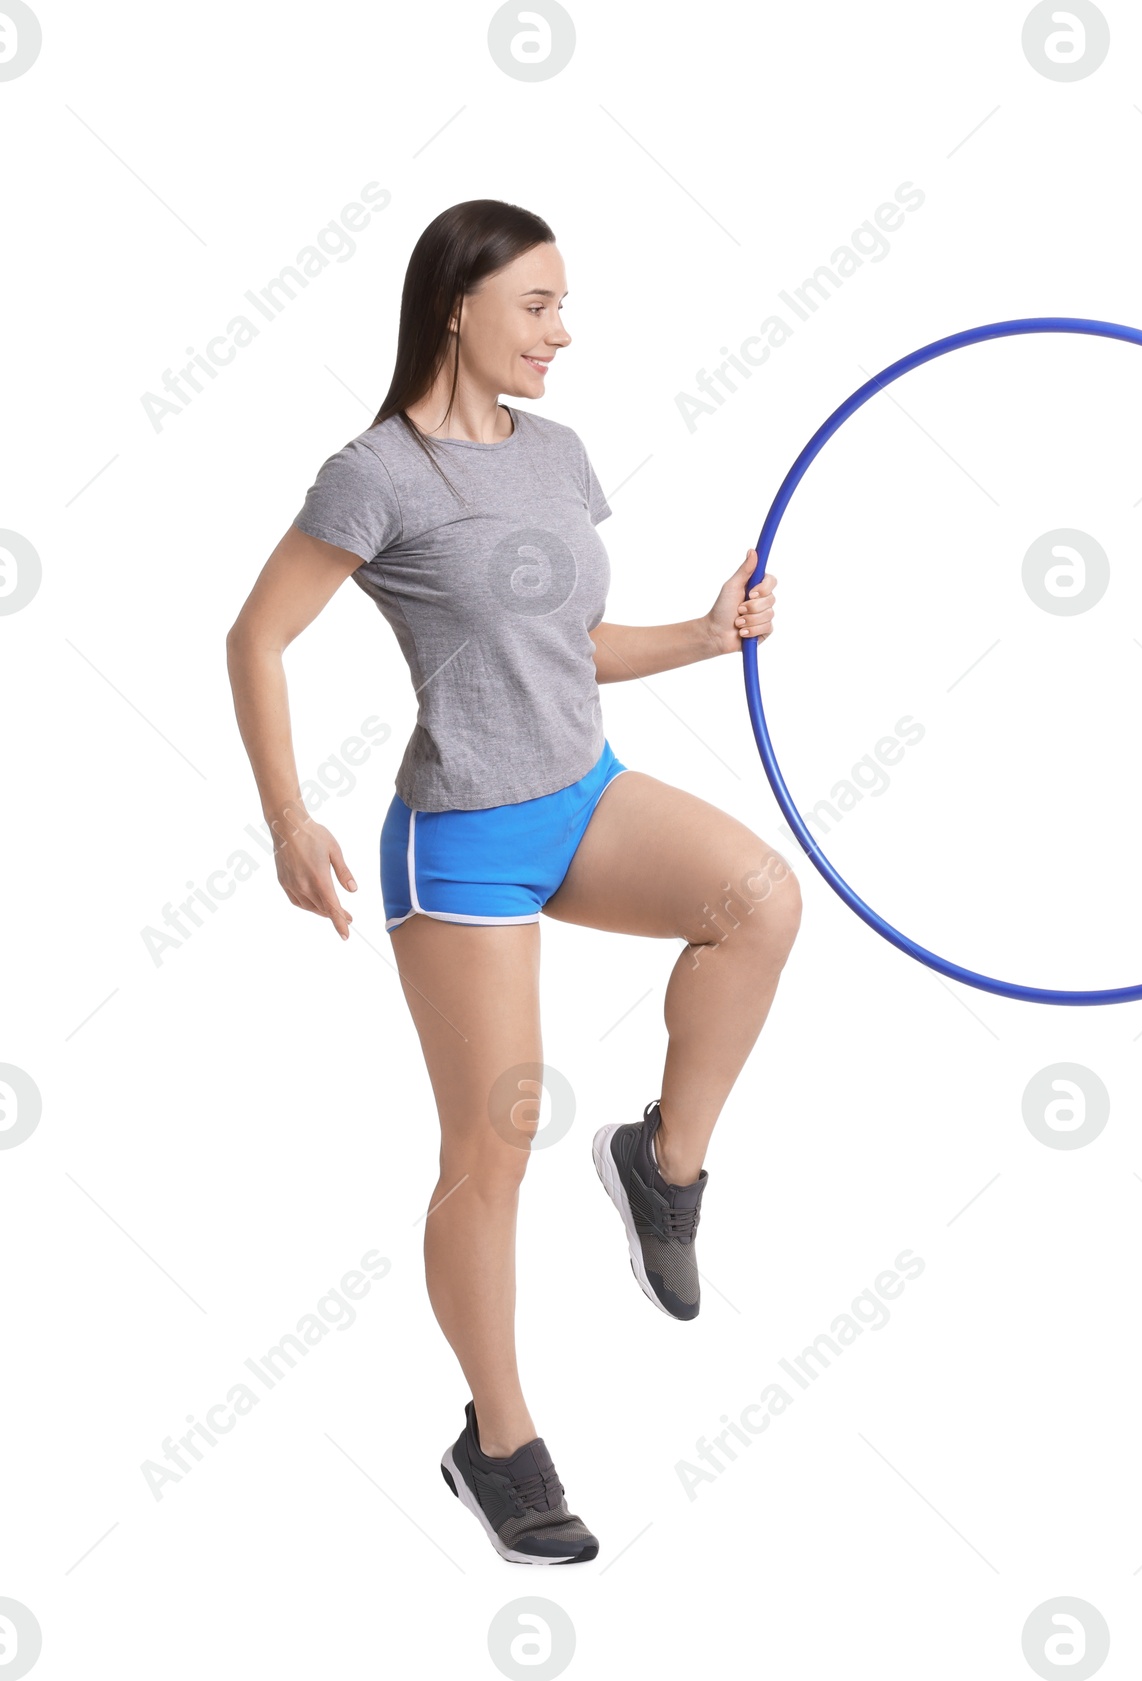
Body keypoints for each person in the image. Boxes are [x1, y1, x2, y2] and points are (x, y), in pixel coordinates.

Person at [224, 199, 802, 1565]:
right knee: (495, 1145)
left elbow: (566, 642)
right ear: (456, 309)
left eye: (561, 304)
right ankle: (499, 1442)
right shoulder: (378, 472)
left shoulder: (557, 455)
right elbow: (256, 635)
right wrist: (287, 816)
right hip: (466, 839)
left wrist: (706, 637)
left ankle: (664, 1169)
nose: (560, 330)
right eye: (536, 304)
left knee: (761, 901)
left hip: (582, 794)